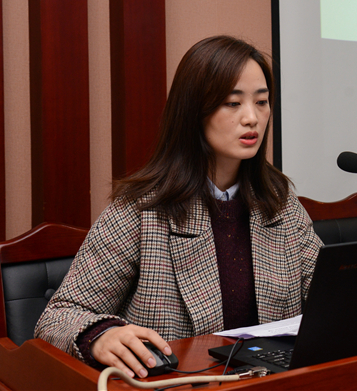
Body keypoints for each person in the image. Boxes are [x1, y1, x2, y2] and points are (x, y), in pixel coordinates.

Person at [34, 36, 322, 379]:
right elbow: (58, 316)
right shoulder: (141, 209)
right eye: (232, 103)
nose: (252, 118)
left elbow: (328, 295)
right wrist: (101, 336)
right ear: (193, 111)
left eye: (262, 102)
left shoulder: (279, 201)